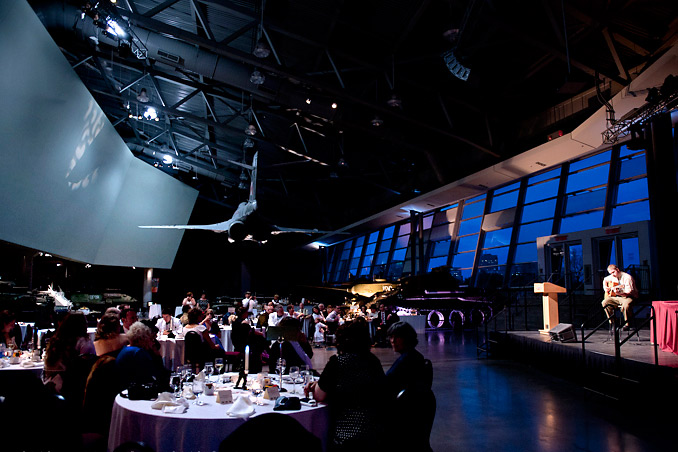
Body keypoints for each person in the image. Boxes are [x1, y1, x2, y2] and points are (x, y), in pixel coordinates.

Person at [304, 319, 388, 451]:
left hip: (346, 435)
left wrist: (315, 385)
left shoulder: (337, 363)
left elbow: (319, 396)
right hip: (375, 431)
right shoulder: (373, 361)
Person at [42, 312, 97, 412]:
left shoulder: (55, 341)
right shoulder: (84, 343)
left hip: (50, 385)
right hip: (74, 389)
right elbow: (86, 370)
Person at [115, 321, 169, 391]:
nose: (153, 342)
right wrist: (156, 355)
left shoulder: (126, 349)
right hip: (134, 391)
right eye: (151, 339)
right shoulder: (138, 353)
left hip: (124, 388)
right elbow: (153, 376)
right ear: (143, 339)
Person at [601, 264, 638, 329]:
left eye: (613, 272)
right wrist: (606, 288)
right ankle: (613, 322)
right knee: (605, 302)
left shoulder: (627, 277)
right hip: (619, 297)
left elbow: (629, 292)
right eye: (611, 273)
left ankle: (628, 323)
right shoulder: (612, 277)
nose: (612, 274)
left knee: (626, 305)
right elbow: (605, 279)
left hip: (629, 296)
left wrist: (619, 293)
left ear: (617, 270)